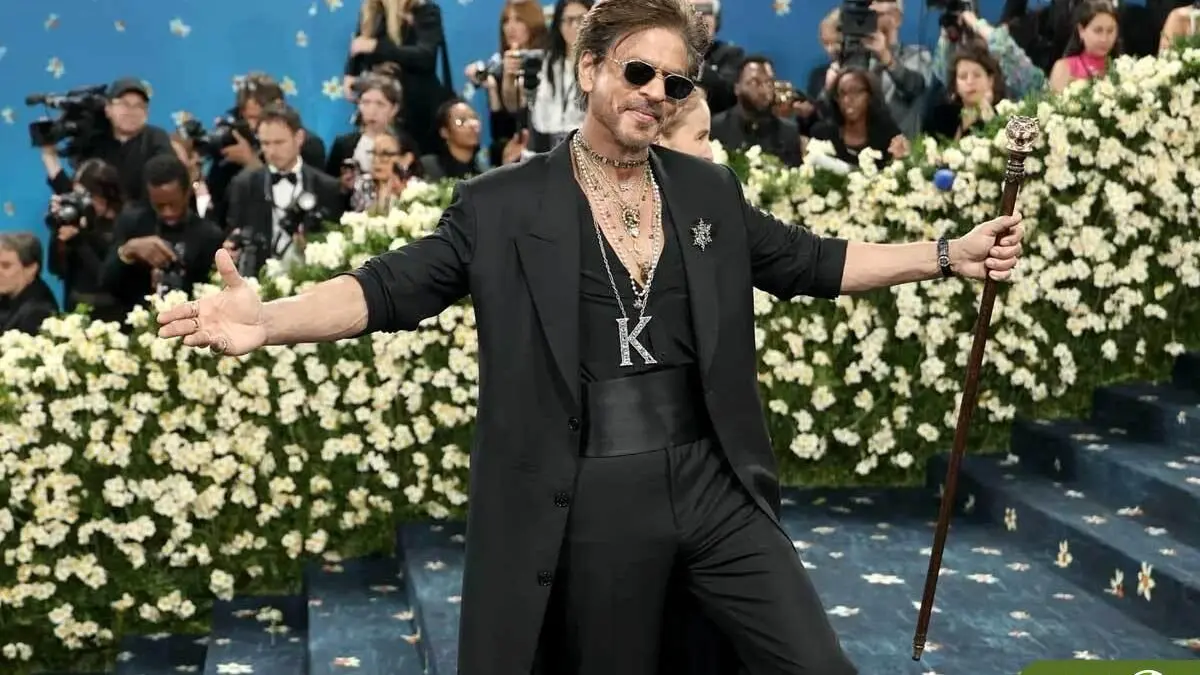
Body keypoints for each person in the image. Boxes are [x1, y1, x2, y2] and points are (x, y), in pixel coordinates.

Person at [158, 0, 1025, 672]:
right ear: (589, 67)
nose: (656, 94)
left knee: (814, 660)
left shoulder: (705, 191)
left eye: (675, 84)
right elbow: (387, 289)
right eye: (639, 72)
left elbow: (813, 261)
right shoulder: (503, 204)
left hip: (714, 478)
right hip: (593, 494)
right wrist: (267, 319)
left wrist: (948, 253)